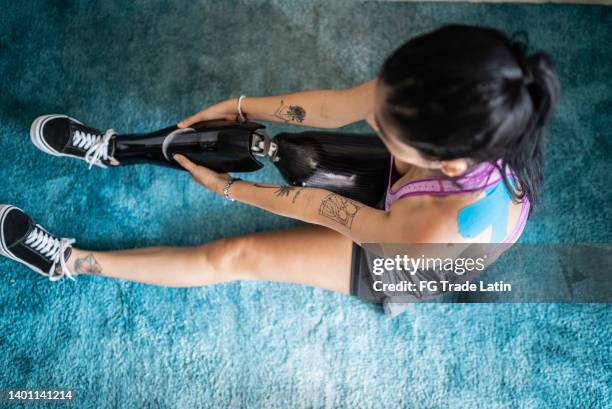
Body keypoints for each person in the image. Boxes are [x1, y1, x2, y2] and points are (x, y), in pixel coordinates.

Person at [0, 25, 559, 311]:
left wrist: (231, 189)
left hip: (400, 253)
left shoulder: (429, 232)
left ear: (448, 159)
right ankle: (119, 149)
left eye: (384, 126)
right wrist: (241, 107)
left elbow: (326, 210)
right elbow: (332, 105)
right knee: (290, 150)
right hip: (411, 195)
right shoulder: (458, 95)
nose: (370, 115)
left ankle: (71, 263)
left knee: (233, 256)